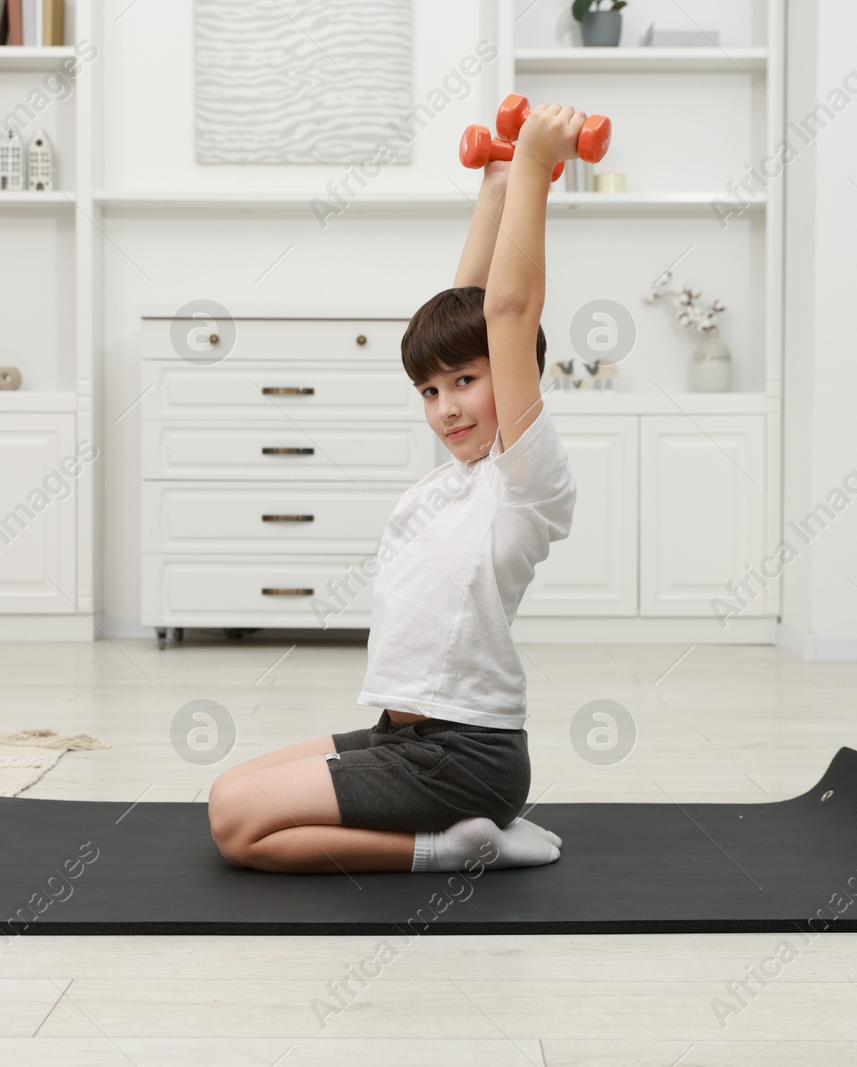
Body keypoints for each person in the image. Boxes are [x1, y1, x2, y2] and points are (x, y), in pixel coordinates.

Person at [207, 105, 589, 874]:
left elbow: (507, 312)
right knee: (228, 789)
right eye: (427, 390)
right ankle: (465, 834)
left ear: (513, 379)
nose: (445, 405)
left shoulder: (524, 482)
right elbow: (471, 309)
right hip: (404, 735)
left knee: (239, 827)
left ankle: (447, 849)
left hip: (466, 755)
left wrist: (541, 172)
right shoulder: (461, 482)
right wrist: (495, 185)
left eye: (465, 384)